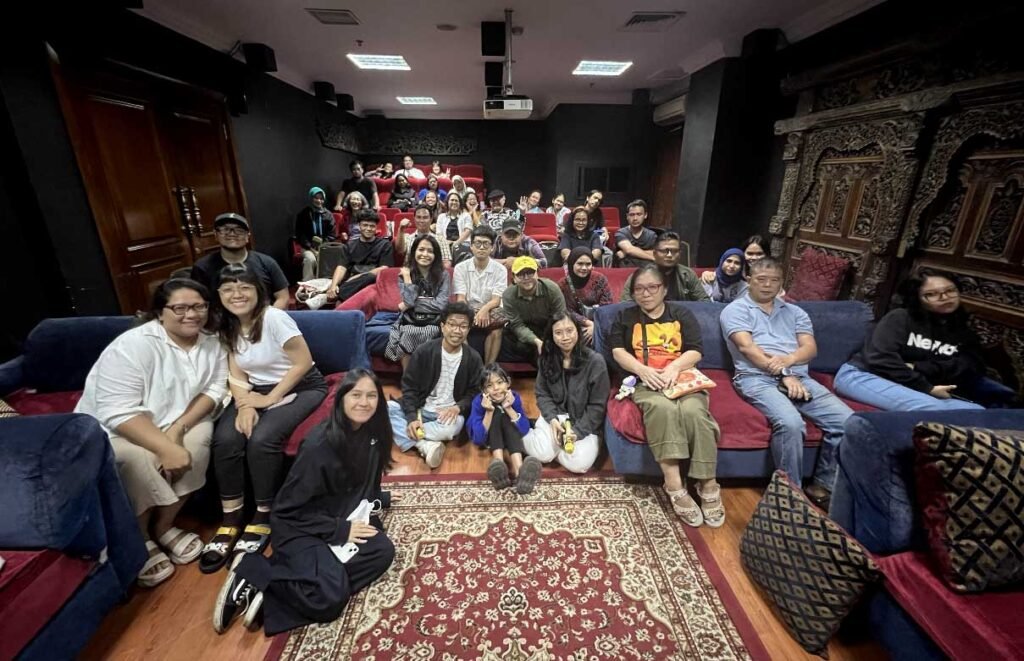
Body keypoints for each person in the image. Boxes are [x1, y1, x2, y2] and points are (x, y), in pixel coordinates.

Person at [212, 369, 396, 635]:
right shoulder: (320, 445)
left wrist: (378, 498)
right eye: (356, 395)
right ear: (342, 399)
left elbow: (360, 480)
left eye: (371, 396)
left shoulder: (373, 434)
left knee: (382, 552)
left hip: (337, 516)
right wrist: (340, 530)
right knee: (329, 599)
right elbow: (289, 511)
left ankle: (294, 584)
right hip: (301, 527)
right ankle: (254, 571)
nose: (364, 403)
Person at [75, 279, 227, 587]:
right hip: (120, 427)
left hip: (179, 418)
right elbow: (117, 411)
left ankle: (164, 525)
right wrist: (165, 447)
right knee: (139, 460)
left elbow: (214, 388)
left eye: (199, 306)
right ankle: (141, 536)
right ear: (160, 312)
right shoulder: (133, 346)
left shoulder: (212, 341)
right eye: (180, 308)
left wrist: (178, 429)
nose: (191, 315)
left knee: (199, 443)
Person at [202, 266, 328, 573]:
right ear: (219, 295)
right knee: (226, 438)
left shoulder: (274, 318)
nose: (237, 294)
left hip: (301, 385)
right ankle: (231, 517)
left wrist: (270, 399)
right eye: (228, 289)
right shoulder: (227, 324)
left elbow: (303, 363)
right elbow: (236, 371)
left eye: (244, 287)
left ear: (258, 291)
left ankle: (263, 513)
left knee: (262, 438)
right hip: (255, 390)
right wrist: (244, 405)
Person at [721, 257, 853, 508]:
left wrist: (790, 361)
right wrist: (785, 373)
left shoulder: (796, 312)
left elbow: (810, 348)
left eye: (774, 280)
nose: (767, 285)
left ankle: (823, 484)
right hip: (755, 377)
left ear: (782, 282)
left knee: (848, 422)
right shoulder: (736, 310)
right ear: (749, 279)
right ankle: (790, 496)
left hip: (800, 377)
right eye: (761, 279)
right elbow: (748, 348)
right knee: (791, 423)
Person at [610, 264, 723, 527]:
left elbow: (695, 350)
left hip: (682, 377)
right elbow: (617, 351)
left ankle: (707, 482)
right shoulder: (625, 316)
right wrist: (642, 370)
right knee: (663, 409)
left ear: (664, 289)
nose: (646, 293)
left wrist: (674, 367)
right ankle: (674, 485)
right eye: (639, 289)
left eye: (652, 287)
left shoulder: (681, 314)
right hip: (645, 380)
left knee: (694, 412)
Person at [834, 268, 993, 411]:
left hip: (912, 384)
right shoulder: (900, 318)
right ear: (917, 298)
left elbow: (971, 365)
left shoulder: (962, 330)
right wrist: (927, 388)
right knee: (933, 409)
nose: (944, 297)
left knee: (976, 411)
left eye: (950, 290)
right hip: (863, 375)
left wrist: (919, 367)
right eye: (931, 294)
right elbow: (880, 359)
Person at [387, 302, 484, 468]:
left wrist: (458, 407)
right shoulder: (424, 351)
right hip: (421, 409)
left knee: (451, 429)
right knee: (386, 409)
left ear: (468, 330)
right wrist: (412, 417)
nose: (457, 330)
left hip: (448, 415)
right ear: (442, 326)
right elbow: (409, 387)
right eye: (452, 324)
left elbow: (475, 392)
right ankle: (424, 445)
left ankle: (411, 435)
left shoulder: (473, 358)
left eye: (463, 326)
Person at [524, 313, 609, 473]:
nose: (565, 337)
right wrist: (552, 419)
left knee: (579, 465)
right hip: (556, 418)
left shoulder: (596, 362)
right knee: (542, 454)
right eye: (558, 332)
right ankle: (526, 433)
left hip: (583, 422)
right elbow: (542, 394)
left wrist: (577, 432)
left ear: (578, 331)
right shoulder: (546, 358)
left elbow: (597, 407)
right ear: (551, 335)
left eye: (570, 331)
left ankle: (551, 448)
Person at [469, 364, 542, 494]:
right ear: (483, 390)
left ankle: (520, 472)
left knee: (506, 417)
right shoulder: (478, 402)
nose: (496, 388)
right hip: (489, 437)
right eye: (489, 385)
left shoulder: (514, 397)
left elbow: (524, 429)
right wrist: (488, 412)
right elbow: (478, 439)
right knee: (497, 413)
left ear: (508, 383)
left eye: (500, 382)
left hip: (511, 435)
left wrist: (509, 408)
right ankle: (499, 464)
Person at [192, 213, 289, 310]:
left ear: (248, 236)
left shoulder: (267, 262)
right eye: (225, 229)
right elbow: (199, 302)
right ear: (216, 235)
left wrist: (268, 317)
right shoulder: (202, 267)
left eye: (239, 230)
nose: (232, 234)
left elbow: (283, 297)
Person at [384, 235, 451, 367]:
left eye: (430, 251)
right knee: (407, 333)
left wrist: (411, 304)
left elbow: (441, 305)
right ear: (414, 252)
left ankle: (427, 376)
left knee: (432, 331)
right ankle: (407, 377)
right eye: (421, 250)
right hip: (410, 319)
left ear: (436, 255)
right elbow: (409, 301)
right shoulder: (405, 274)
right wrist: (408, 279)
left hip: (434, 320)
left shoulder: (443, 275)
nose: (425, 254)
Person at [453, 226, 508, 364]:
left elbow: (496, 300)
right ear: (471, 246)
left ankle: (488, 368)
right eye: (478, 243)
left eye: (486, 244)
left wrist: (484, 310)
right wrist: (472, 313)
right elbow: (461, 299)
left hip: (491, 309)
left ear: (492, 248)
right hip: (468, 308)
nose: (481, 247)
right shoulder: (460, 268)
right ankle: (470, 365)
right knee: (459, 322)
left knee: (497, 328)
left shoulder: (500, 269)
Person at [502, 256, 567, 363]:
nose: (526, 277)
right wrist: (536, 341)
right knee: (518, 345)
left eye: (530, 273)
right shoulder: (508, 295)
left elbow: (560, 316)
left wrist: (550, 339)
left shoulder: (552, 289)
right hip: (525, 329)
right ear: (514, 277)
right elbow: (517, 325)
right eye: (521, 274)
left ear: (537, 273)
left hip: (549, 327)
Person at [326, 209, 395, 303]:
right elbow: (341, 267)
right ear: (359, 226)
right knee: (338, 289)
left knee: (370, 276)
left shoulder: (385, 244)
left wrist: (359, 277)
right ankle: (338, 295)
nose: (368, 229)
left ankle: (337, 296)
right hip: (352, 283)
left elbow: (384, 268)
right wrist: (333, 286)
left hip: (373, 282)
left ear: (376, 227)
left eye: (372, 226)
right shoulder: (349, 245)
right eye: (365, 225)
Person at [622, 232, 709, 303]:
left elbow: (705, 302)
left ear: (680, 254)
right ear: (654, 253)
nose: (669, 255)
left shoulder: (687, 275)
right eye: (664, 251)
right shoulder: (639, 276)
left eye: (674, 251)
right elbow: (625, 305)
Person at [558, 247, 611, 344]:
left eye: (588, 264)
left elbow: (607, 306)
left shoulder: (600, 279)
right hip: (574, 324)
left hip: (600, 322)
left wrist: (596, 325)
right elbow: (566, 310)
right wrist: (588, 323)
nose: (584, 268)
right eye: (580, 264)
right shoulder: (563, 284)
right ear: (572, 263)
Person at [295, 189, 338, 280]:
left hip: (324, 247)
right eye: (316, 198)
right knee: (310, 259)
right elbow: (300, 234)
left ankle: (325, 283)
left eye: (321, 199)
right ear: (311, 198)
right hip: (308, 247)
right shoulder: (304, 214)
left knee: (326, 260)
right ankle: (308, 283)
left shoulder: (328, 215)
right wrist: (311, 248)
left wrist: (322, 247)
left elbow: (332, 235)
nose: (319, 201)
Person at [701, 235, 770, 287]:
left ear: (767, 254)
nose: (754, 258)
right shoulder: (735, 270)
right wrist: (707, 274)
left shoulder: (772, 275)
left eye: (759, 254)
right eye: (750, 254)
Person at [615, 199, 658, 267]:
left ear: (645, 215)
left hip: (646, 269)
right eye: (632, 215)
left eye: (639, 214)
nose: (635, 218)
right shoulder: (621, 233)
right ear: (627, 216)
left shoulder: (651, 235)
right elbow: (629, 250)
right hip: (626, 269)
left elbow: (656, 254)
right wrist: (652, 257)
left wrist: (626, 253)